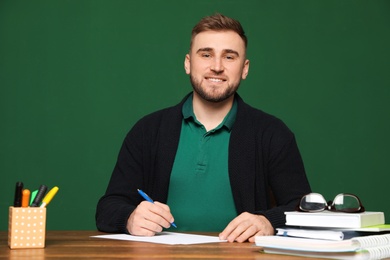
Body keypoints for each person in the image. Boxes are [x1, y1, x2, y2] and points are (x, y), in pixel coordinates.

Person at [96, 13, 311, 243]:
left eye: (229, 57)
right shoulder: (148, 131)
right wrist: (129, 218)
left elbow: (306, 209)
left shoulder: (273, 134)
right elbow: (107, 208)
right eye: (206, 54)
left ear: (245, 68)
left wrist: (269, 221)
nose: (216, 67)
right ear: (188, 63)